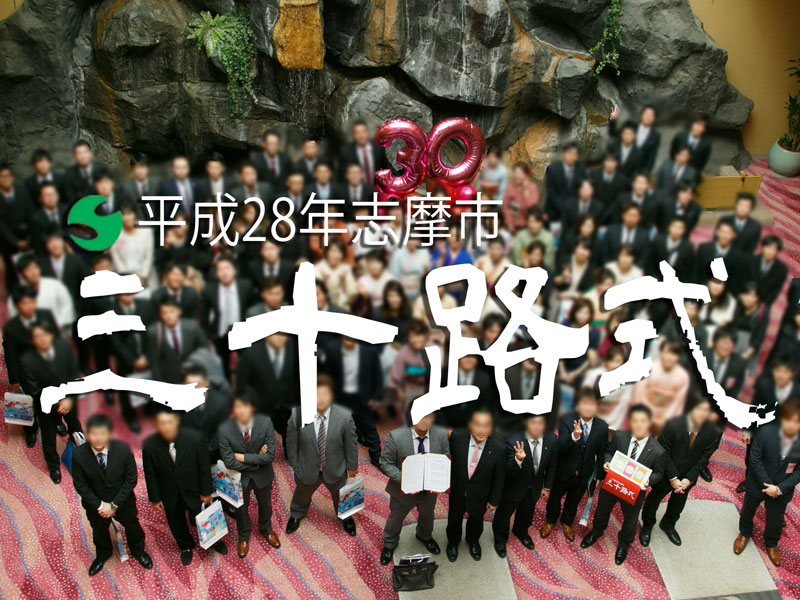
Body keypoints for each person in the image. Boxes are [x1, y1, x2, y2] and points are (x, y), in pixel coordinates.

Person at [580, 404, 666, 565]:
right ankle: (597, 531)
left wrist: (648, 481)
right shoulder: (620, 436)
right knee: (602, 509)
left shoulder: (657, 450)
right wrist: (606, 462)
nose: (639, 425)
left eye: (643, 421)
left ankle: (624, 543)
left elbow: (659, 473)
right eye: (635, 421)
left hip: (634, 491)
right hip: (613, 483)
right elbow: (608, 452)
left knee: (630, 519)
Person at [142, 408, 228, 565]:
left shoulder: (194, 438)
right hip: (169, 492)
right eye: (162, 423)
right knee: (176, 522)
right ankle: (186, 546)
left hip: (194, 489)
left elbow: (203, 467)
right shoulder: (150, 445)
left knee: (204, 514)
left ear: (177, 422)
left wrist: (206, 491)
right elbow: (150, 474)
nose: (166, 427)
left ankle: (215, 540)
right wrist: (155, 498)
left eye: (170, 422)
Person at [71, 414, 152, 575]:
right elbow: (80, 485)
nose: (98, 438)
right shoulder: (79, 454)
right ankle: (103, 553)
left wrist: (114, 505)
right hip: (96, 506)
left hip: (123, 502)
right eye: (93, 433)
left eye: (102, 433)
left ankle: (138, 551)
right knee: (99, 531)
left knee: (132, 526)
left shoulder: (123, 449)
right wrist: (101, 506)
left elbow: (131, 480)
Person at [640, 396, 720, 547]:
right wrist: (673, 478)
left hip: (688, 475)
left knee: (678, 503)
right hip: (667, 472)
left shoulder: (712, 431)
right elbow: (664, 451)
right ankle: (647, 525)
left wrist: (689, 478)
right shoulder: (673, 424)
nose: (702, 414)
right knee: (654, 498)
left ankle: (668, 524)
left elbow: (704, 457)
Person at [285, 375, 359, 537]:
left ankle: (346, 517)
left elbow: (351, 445)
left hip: (335, 468)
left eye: (325, 394)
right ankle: (296, 514)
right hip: (307, 467)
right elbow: (291, 442)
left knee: (342, 494)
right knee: (301, 494)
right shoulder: (297, 415)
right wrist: (295, 464)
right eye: (316, 394)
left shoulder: (344, 417)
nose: (321, 398)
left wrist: (352, 467)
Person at [734, 397, 800, 567]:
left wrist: (778, 489)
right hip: (758, 482)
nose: (792, 425)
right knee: (748, 509)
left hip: (782, 489)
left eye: (797, 421)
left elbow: (799, 472)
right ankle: (744, 533)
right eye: (788, 420)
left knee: (775, 520)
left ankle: (771, 543)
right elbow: (754, 459)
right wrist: (768, 484)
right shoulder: (765, 432)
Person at [379, 410, 450, 565]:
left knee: (427, 515)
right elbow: (385, 463)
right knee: (396, 518)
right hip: (403, 490)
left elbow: (446, 458)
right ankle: (389, 543)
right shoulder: (396, 436)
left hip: (429, 490)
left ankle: (425, 536)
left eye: (428, 416)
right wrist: (404, 479)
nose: (424, 420)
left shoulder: (441, 435)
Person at [18, 320, 82, 484]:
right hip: (46, 405)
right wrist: (58, 404)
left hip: (67, 398)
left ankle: (83, 455)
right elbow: (34, 391)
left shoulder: (63, 349)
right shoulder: (26, 360)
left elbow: (73, 375)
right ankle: (54, 466)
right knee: (48, 439)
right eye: (37, 336)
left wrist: (68, 399)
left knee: (76, 427)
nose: (42, 339)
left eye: (45, 334)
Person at [218, 393, 281, 558]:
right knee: (241, 509)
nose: (241, 410)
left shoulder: (265, 422)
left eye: (245, 406)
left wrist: (243, 458)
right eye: (237, 406)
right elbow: (229, 462)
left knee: (266, 505)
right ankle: (244, 536)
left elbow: (270, 456)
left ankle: (266, 529)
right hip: (239, 478)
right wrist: (258, 459)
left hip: (263, 475)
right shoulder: (224, 429)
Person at [542, 388, 609, 542]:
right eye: (584, 403)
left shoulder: (602, 427)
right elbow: (561, 447)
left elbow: (602, 451)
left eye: (592, 404)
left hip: (584, 473)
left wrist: (599, 476)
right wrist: (575, 436)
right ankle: (550, 520)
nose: (588, 408)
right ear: (578, 405)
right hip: (563, 470)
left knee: (573, 500)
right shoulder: (567, 420)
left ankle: (567, 522)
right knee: (555, 498)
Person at [492, 413, 557, 557]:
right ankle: (500, 540)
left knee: (526, 514)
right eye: (533, 422)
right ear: (526, 423)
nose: (537, 427)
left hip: (534, 487)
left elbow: (552, 464)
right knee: (503, 516)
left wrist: (547, 487)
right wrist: (518, 460)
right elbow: (508, 470)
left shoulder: (551, 439)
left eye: (541, 423)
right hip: (513, 487)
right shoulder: (513, 440)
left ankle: (521, 532)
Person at [446, 410, 505, 562]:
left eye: (486, 426)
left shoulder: (499, 448)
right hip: (458, 490)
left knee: (476, 520)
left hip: (481, 494)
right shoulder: (457, 437)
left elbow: (499, 478)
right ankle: (453, 542)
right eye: (477, 425)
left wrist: (494, 500)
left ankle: (473, 541)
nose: (481, 430)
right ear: (470, 425)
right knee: (454, 518)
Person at [320, 335, 384, 466]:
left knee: (370, 429)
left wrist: (376, 397)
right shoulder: (332, 349)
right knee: (337, 429)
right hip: (340, 398)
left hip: (362, 397)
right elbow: (326, 374)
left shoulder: (369, 351)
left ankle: (377, 457)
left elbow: (377, 375)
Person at [236, 332, 298, 442]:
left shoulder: (297, 350)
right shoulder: (251, 355)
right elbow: (243, 388)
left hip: (290, 414)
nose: (280, 338)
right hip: (261, 413)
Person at [202, 255, 253, 377]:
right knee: (223, 367)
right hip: (220, 334)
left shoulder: (245, 286)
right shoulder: (209, 290)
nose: (224, 272)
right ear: (216, 273)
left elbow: (252, 309)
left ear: (235, 270)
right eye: (220, 269)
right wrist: (210, 335)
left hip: (243, 332)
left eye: (227, 268)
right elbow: (204, 315)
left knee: (245, 365)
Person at [148, 296, 208, 384]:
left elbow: (204, 349)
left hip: (192, 375)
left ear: (179, 311)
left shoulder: (193, 327)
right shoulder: (154, 332)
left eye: (172, 311)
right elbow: (154, 361)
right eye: (164, 313)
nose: (168, 316)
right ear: (160, 315)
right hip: (169, 378)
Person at [182, 366, 231, 461]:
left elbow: (221, 435)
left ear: (206, 383)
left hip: (213, 454)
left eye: (198, 385)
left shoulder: (220, 403)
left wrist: (202, 454)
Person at [544, 141, 586, 224]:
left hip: (574, 208)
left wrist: (572, 207)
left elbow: (582, 189)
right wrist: (565, 208)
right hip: (555, 208)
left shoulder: (581, 168)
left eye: (575, 154)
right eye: (569, 153)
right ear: (563, 154)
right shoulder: (553, 169)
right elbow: (551, 193)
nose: (572, 156)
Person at [338, 120, 388, 184]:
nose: (361, 135)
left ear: (367, 133)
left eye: (363, 132)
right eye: (357, 133)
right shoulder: (346, 152)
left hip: (376, 187)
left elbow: (386, 166)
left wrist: (397, 179)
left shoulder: (378, 148)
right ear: (353, 135)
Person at [63, 139, 106, 206]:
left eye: (85, 152)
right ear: (75, 156)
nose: (83, 156)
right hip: (80, 208)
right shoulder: (69, 174)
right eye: (79, 153)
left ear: (90, 153)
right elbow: (70, 198)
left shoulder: (101, 170)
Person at [502, 162, 540, 233]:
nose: (517, 175)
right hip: (512, 224)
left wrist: (525, 190)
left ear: (526, 175)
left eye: (519, 173)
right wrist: (509, 222)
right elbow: (505, 206)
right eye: (515, 172)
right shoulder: (511, 185)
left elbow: (530, 206)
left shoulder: (532, 187)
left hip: (528, 225)